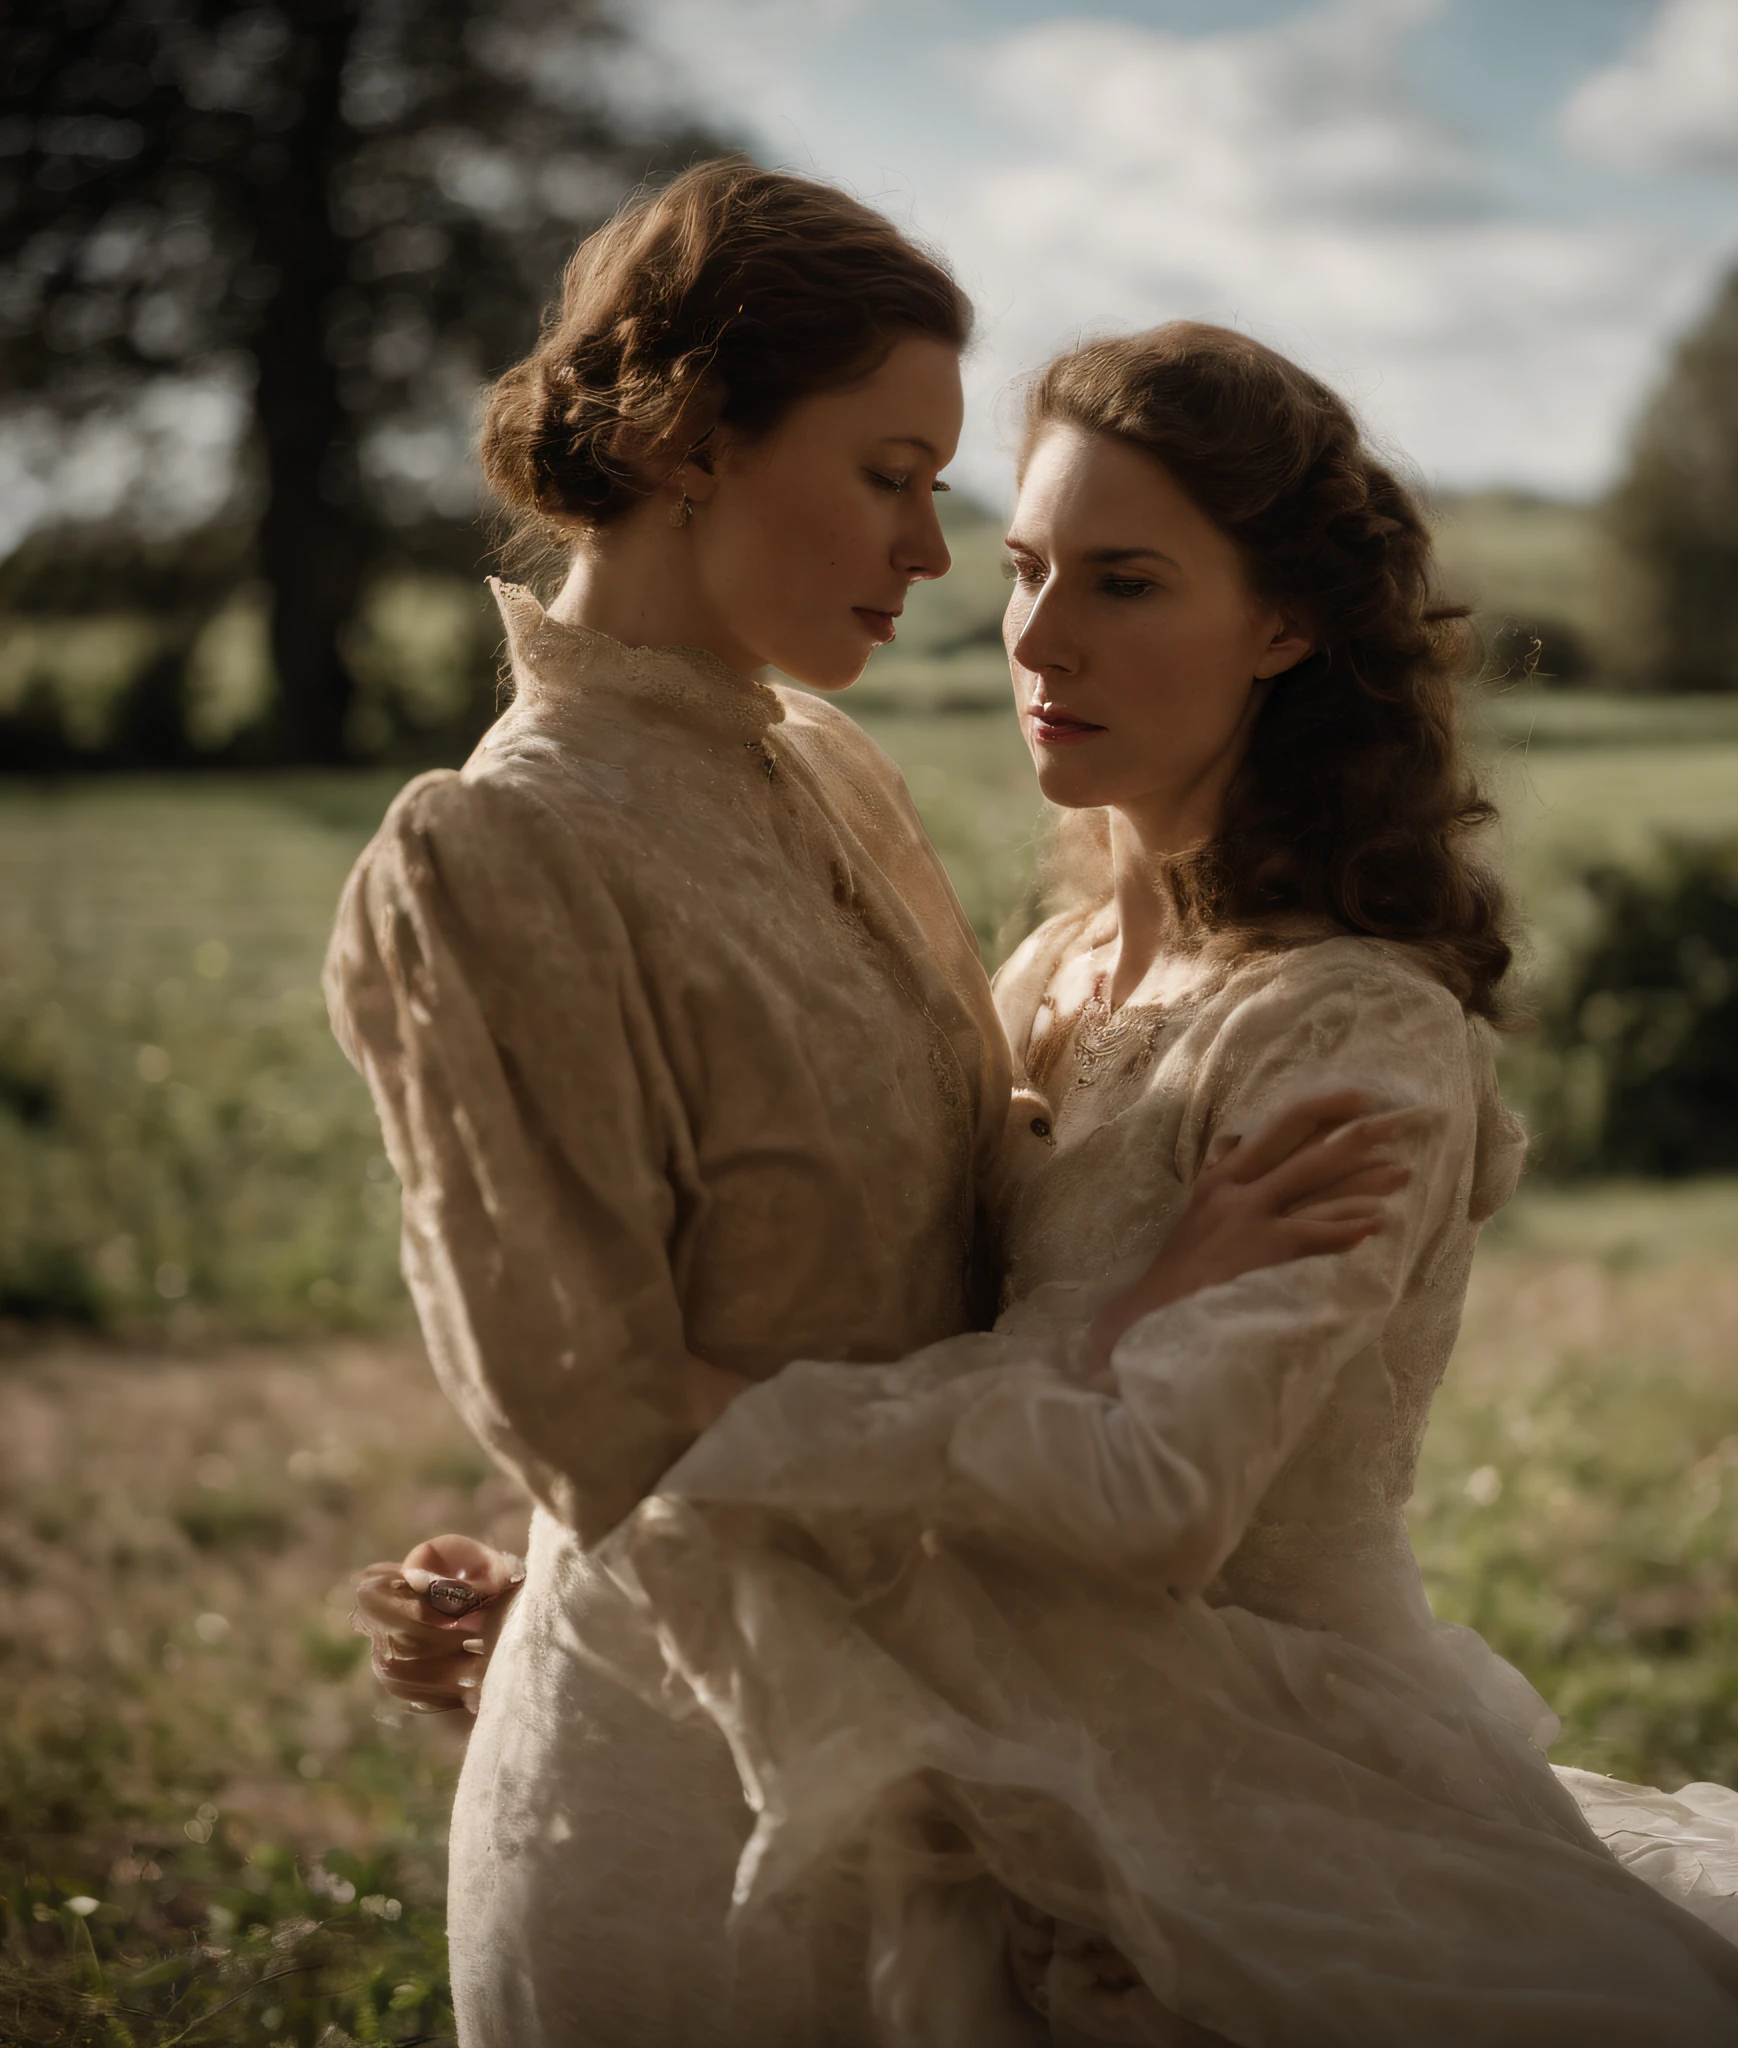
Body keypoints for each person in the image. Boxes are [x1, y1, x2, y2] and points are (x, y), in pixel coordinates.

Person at [365, 319, 1738, 2046]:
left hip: (1270, 1791)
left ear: (1288, 625)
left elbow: (1155, 1496)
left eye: (1127, 582)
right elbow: (904, 1324)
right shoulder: (1054, 970)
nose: (1038, 637)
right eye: (1025, 570)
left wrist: (708, 1450)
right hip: (1021, 1757)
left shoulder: (1352, 1036)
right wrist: (631, 1578)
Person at [327, 168, 1404, 2046]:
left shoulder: (824, 769)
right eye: (892, 473)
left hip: (971, 1727)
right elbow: (608, 1418)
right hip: (700, 1783)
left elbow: (873, 1255)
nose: (934, 548)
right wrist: (1100, 1356)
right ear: (690, 441)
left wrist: (1136, 1295)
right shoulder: (490, 852)